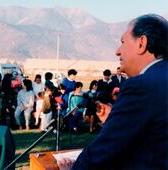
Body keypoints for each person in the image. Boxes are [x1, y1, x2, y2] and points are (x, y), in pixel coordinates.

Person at [58, 14, 168, 170]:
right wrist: (115, 118)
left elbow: (104, 151)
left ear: (142, 43)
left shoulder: (140, 86)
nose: (118, 51)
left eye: (123, 42)